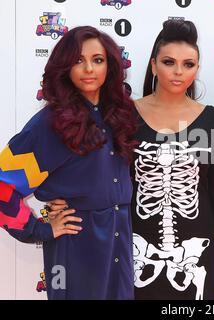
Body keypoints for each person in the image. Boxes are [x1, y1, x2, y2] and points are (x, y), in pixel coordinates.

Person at [0, 26, 138, 299]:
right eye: (78, 60)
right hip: (75, 244)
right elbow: (3, 185)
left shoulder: (120, 115)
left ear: (110, 65)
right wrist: (38, 229)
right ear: (64, 67)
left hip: (119, 236)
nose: (89, 68)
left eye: (97, 60)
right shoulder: (49, 124)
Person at [130, 19, 214, 300]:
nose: (178, 72)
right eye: (169, 62)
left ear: (197, 68)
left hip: (196, 255)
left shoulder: (212, 119)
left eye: (189, 64)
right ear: (153, 64)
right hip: (136, 248)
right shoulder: (125, 116)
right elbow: (105, 178)